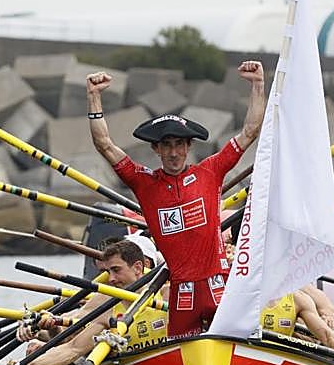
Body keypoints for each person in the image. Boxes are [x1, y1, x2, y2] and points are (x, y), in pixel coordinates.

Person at [86, 61, 266, 337]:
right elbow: (104, 144)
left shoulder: (211, 170)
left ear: (188, 146)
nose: (173, 152)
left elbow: (250, 131)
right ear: (156, 149)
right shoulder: (143, 182)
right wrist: (94, 96)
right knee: (181, 355)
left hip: (220, 284)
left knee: (243, 341)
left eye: (179, 145)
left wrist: (257, 84)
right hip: (182, 293)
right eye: (167, 145)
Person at [15, 240, 168, 365]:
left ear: (138, 268)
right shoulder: (107, 309)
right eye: (108, 272)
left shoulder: (168, 294)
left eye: (116, 270)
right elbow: (72, 349)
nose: (111, 279)